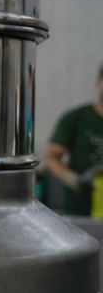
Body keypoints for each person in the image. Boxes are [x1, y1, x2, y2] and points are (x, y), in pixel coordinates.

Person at [44, 62, 103, 217]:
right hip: (80, 208)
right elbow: (52, 157)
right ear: (99, 82)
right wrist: (72, 179)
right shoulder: (76, 118)